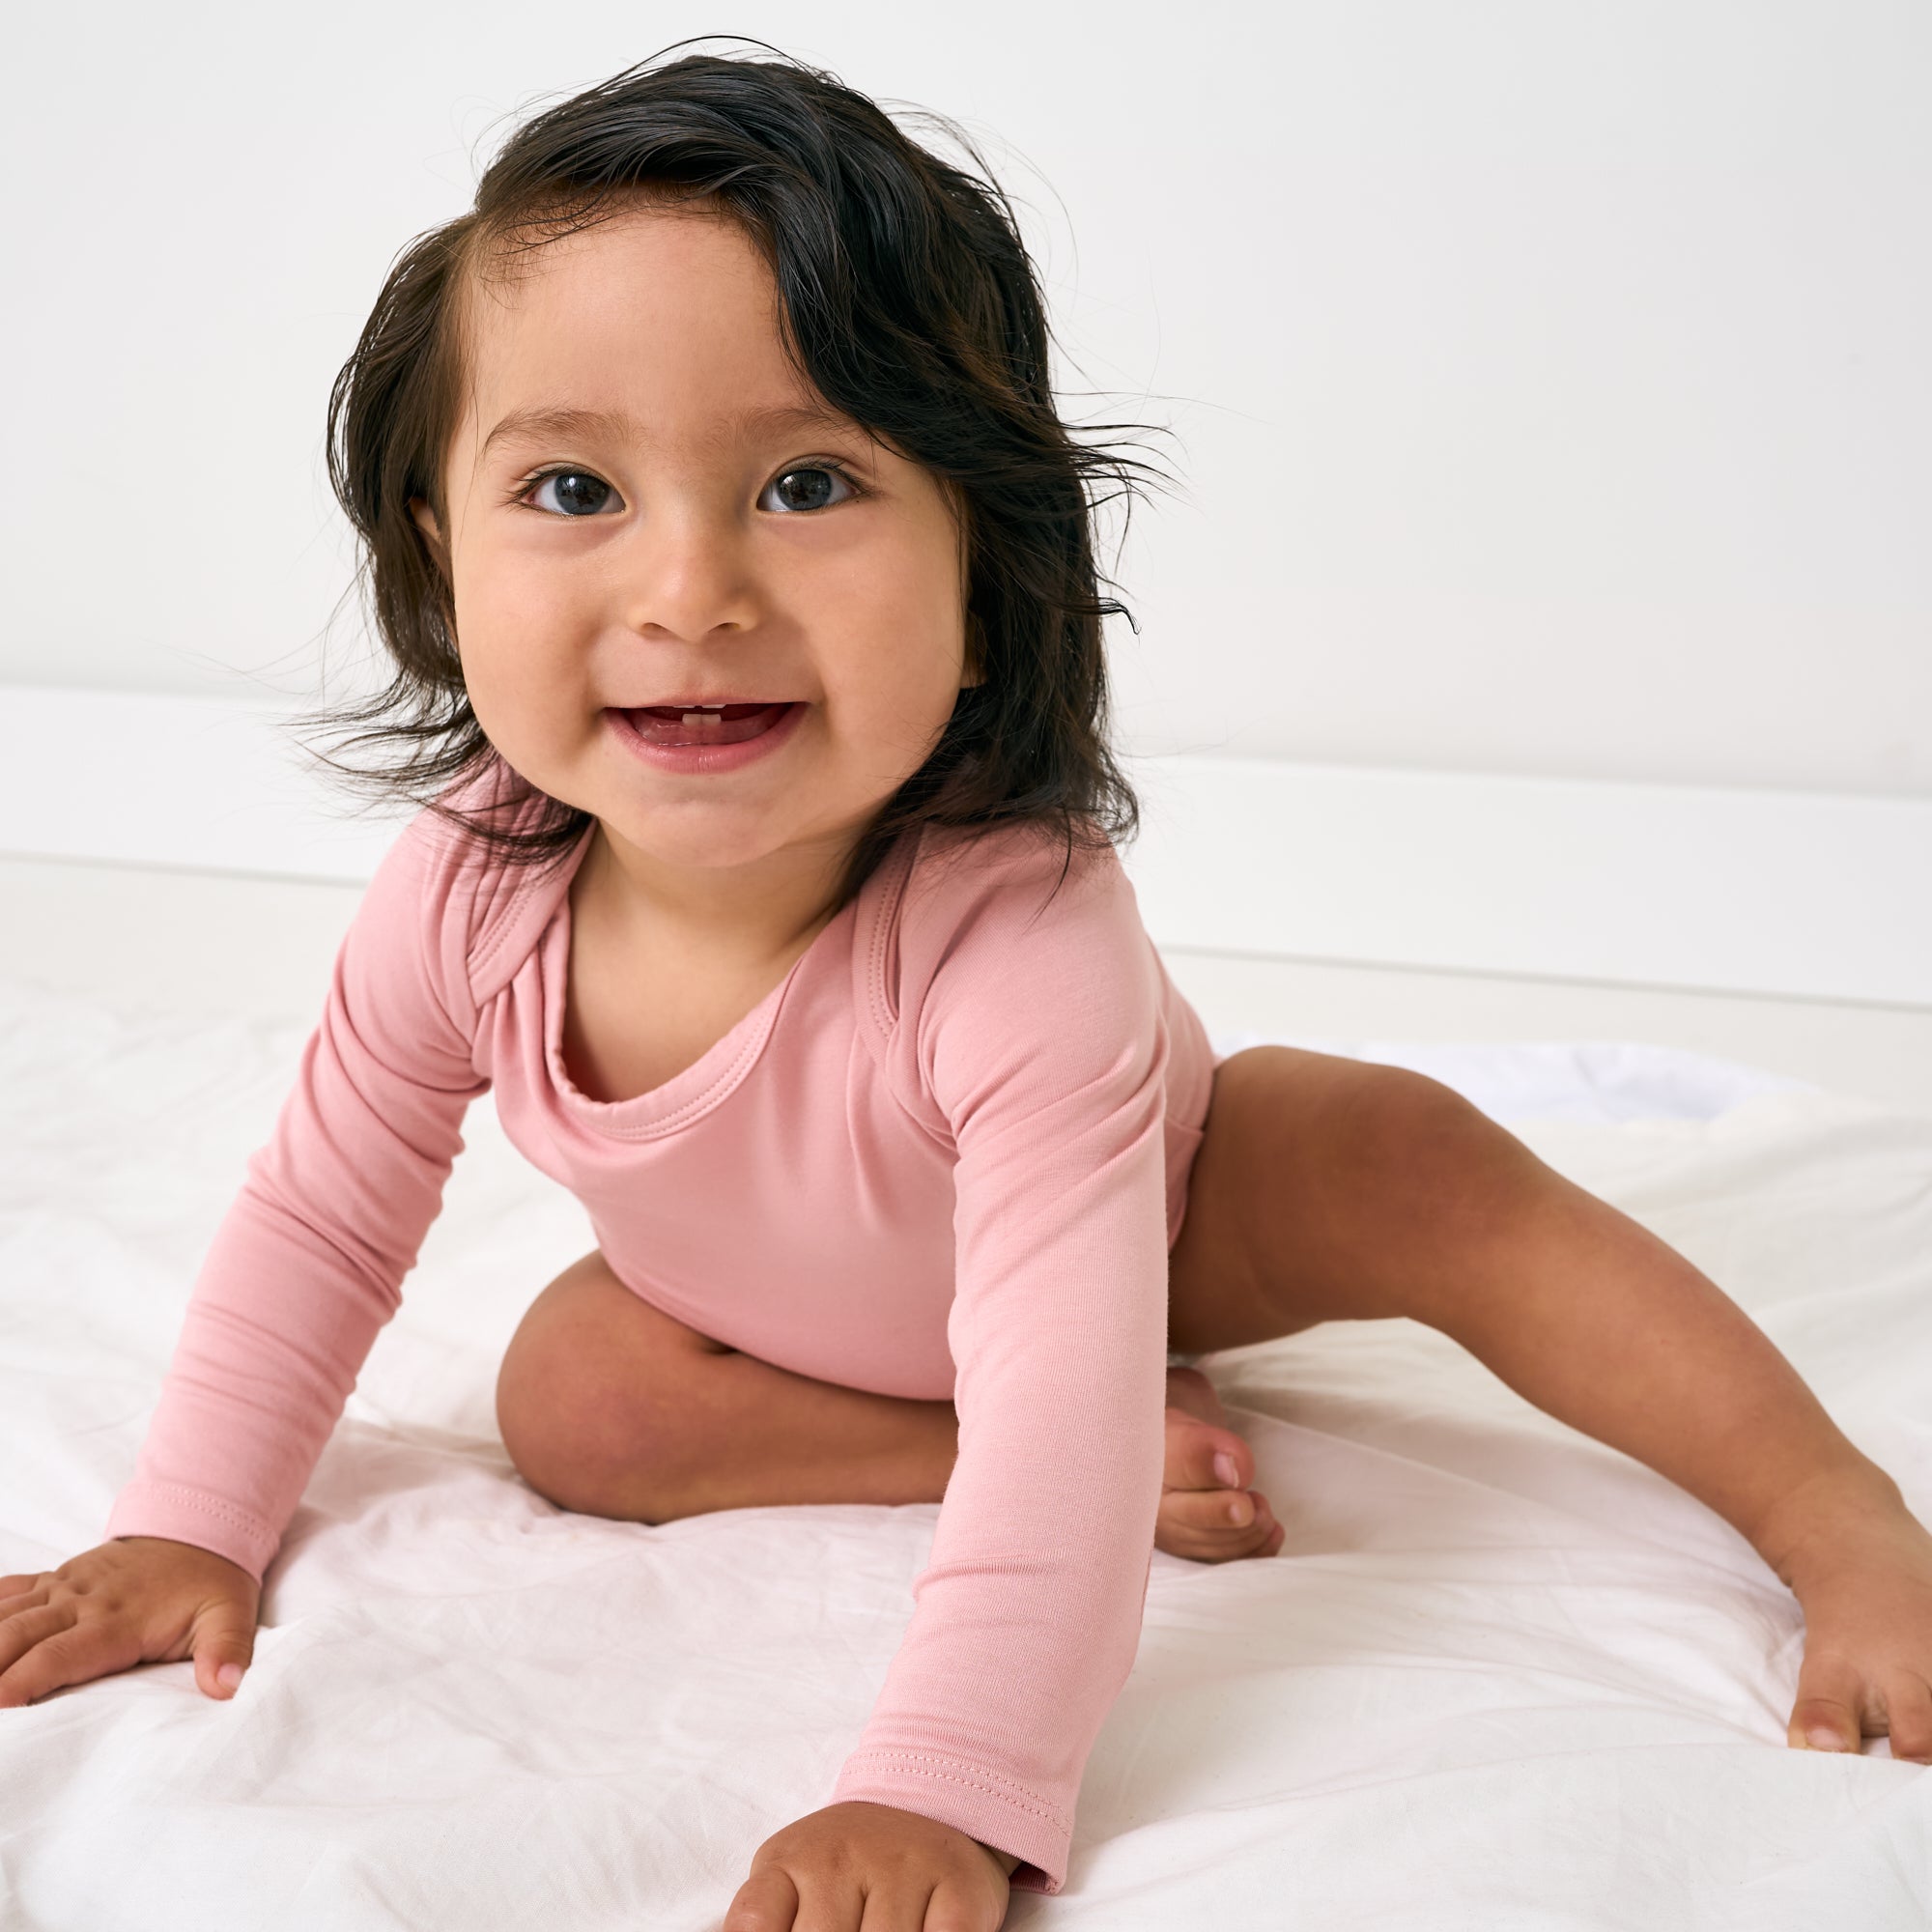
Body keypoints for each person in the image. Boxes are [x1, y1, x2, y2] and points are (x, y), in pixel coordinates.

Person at [4, 43, 1928, 1932]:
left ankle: (1836, 1515)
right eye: (575, 489)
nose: (690, 591)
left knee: (1400, 1150)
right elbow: (321, 1212)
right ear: (437, 545)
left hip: (1153, 1233)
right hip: (769, 1324)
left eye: (809, 481)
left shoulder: (1018, 941)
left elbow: (1067, 1371)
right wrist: (188, 1521)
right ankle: (1003, 1449)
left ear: (986, 563)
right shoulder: (468, 884)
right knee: (571, 1401)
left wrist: (945, 1778)